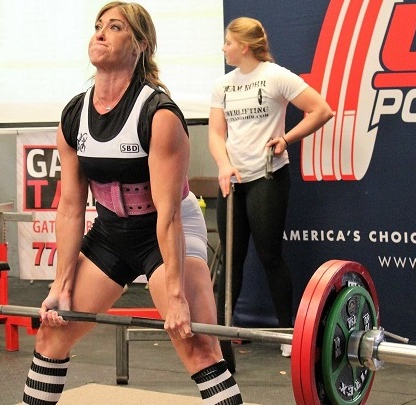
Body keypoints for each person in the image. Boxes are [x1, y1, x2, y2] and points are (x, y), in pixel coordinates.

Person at [22, 3, 243, 405]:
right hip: (110, 233)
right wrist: (60, 284)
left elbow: (169, 213)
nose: (100, 34)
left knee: (197, 346)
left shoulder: (158, 114)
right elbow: (71, 208)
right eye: (97, 27)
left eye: (115, 27)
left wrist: (175, 294)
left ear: (140, 44)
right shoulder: (75, 115)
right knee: (53, 333)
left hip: (166, 232)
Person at [208, 17, 334, 360]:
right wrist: (223, 165)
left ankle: (287, 333)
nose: (224, 48)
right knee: (230, 261)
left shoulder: (275, 75)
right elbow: (216, 134)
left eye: (228, 43)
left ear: (244, 47)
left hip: (268, 177)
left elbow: (321, 110)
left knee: (270, 255)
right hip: (232, 181)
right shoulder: (223, 85)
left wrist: (286, 139)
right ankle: (220, 339)